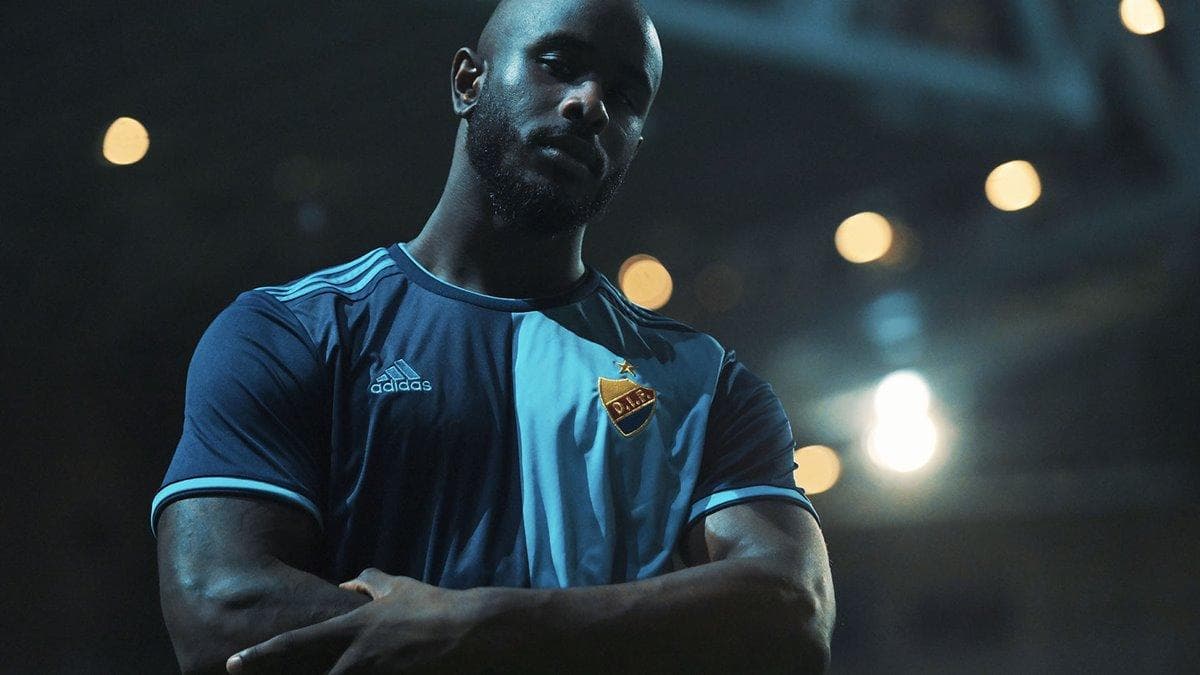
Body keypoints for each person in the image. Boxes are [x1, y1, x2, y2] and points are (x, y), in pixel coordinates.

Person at [152, 0, 835, 672]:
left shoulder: (706, 384)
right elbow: (220, 613)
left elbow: (794, 610)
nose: (591, 104)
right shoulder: (290, 332)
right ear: (467, 82)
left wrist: (474, 628)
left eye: (627, 97)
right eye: (558, 63)